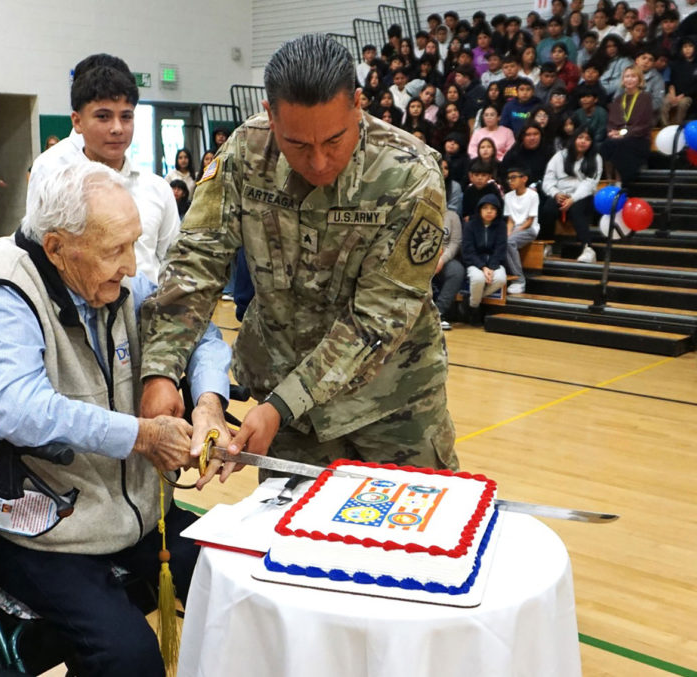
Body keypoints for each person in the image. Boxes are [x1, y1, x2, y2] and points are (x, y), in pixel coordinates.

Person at [0, 162, 231, 677]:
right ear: (56, 247)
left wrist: (209, 402)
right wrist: (142, 436)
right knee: (128, 656)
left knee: (232, 581)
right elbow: (20, 410)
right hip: (40, 531)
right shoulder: (4, 289)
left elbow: (199, 332)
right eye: (114, 250)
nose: (130, 266)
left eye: (133, 245)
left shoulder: (116, 282)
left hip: (131, 516)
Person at [141, 33, 459, 488]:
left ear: (358, 104)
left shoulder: (410, 173)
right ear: (269, 115)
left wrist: (280, 405)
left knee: (415, 545)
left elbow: (377, 321)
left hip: (394, 409)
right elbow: (195, 264)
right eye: (297, 144)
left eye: (334, 139)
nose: (320, 161)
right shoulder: (244, 153)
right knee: (292, 548)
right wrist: (161, 371)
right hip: (290, 418)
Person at [27, 53, 179, 285]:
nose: (117, 128)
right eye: (103, 116)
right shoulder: (54, 177)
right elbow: (39, 251)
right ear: (77, 121)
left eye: (126, 116)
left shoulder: (157, 188)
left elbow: (171, 258)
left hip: (147, 310)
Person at [543, 127, 603, 262]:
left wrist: (573, 199)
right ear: (574, 138)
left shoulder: (596, 158)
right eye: (580, 137)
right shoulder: (560, 156)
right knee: (548, 208)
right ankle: (547, 245)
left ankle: (588, 248)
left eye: (587, 139)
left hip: (582, 196)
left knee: (577, 210)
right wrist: (555, 193)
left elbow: (590, 184)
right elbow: (548, 180)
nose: (583, 142)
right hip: (561, 193)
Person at [601, 65, 654, 185]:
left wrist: (622, 133)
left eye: (633, 76)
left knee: (621, 144)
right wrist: (612, 132)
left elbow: (643, 124)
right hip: (620, 136)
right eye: (627, 76)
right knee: (607, 144)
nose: (629, 79)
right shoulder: (619, 99)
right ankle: (610, 180)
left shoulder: (645, 97)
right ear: (623, 80)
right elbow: (611, 121)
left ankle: (621, 181)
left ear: (639, 80)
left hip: (638, 138)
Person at [461, 193, 508, 326]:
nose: (489, 211)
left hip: (495, 262)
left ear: (497, 212)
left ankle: (470, 303)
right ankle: (475, 309)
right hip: (475, 262)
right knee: (478, 279)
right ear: (479, 210)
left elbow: (500, 249)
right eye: (485, 208)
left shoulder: (501, 226)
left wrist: (491, 268)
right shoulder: (470, 225)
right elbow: (468, 250)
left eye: (493, 209)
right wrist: (483, 267)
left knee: (500, 279)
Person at [433, 161, 465, 330]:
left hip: (444, 257)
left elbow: (455, 242)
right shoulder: (423, 211)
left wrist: (442, 260)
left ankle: (438, 313)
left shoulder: (452, 216)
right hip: (425, 256)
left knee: (457, 270)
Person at [502, 167, 540, 294]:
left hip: (529, 229)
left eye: (513, 177)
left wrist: (513, 234)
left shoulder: (533, 195)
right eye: (509, 178)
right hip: (515, 229)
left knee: (509, 242)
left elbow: (530, 221)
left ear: (524, 179)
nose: (510, 181)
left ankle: (519, 280)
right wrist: (508, 233)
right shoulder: (507, 196)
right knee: (504, 241)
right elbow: (510, 221)